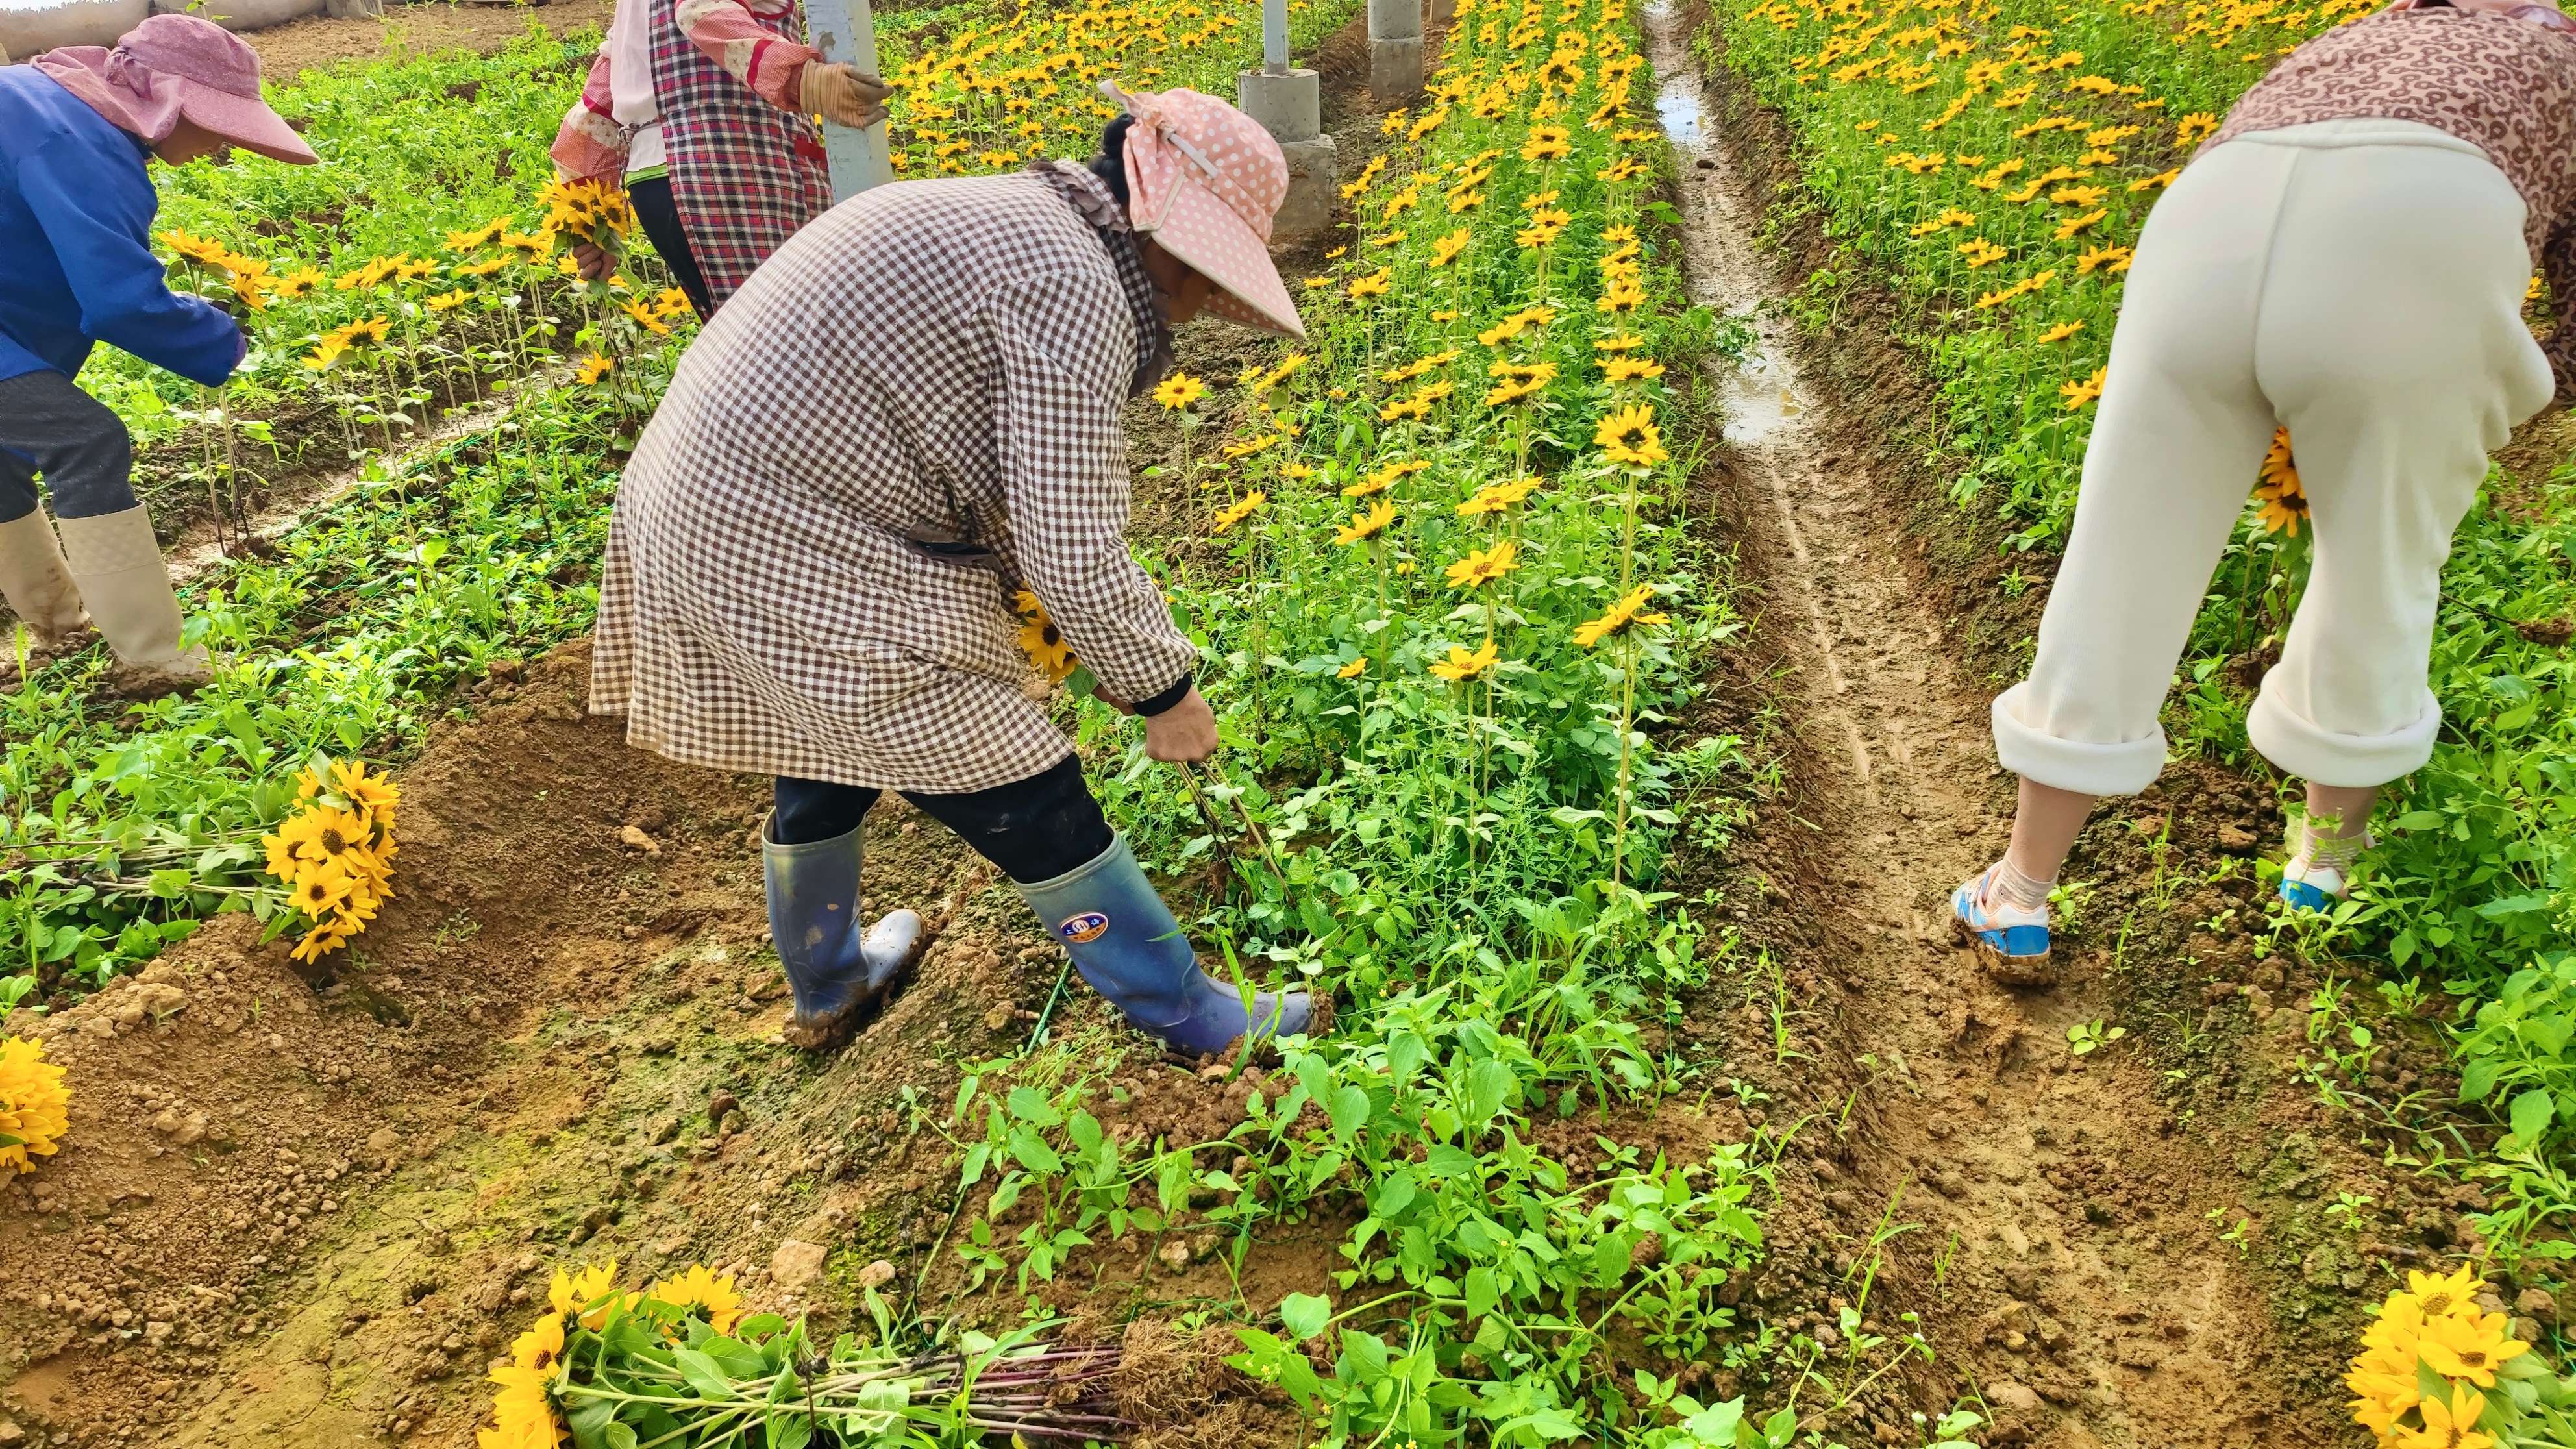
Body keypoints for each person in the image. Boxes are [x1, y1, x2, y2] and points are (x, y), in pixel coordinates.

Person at [590, 86, 1322, 1055]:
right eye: (1201, 278)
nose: (1198, 308)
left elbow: (1003, 483)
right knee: (1018, 775)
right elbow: (1068, 538)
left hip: (700, 502)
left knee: (824, 748)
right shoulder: (1079, 288)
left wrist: (1092, 648)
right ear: (1163, 234)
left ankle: (831, 981)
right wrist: (1164, 690)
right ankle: (1191, 1015)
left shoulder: (1023, 222)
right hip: (784, 533)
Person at [1951, 0, 2576, 976]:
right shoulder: (2559, 53)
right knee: (2381, 561)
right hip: (2420, 229)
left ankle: (2017, 892)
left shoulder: (2357, 32)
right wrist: (2486, 407)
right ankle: (2321, 873)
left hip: (2212, 213)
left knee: (2125, 553)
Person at [0, 14, 318, 692]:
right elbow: (116, 298)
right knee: (86, 441)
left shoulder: (44, 103)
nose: (221, 145)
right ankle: (153, 659)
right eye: (219, 124)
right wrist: (219, 337)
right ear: (169, 100)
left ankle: (59, 629)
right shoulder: (72, 138)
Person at [550, 0, 891, 317]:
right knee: (789, 336)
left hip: (655, 182)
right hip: (732, 164)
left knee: (740, 340)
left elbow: (595, 110)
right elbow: (700, 12)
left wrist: (591, 219)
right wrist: (802, 80)